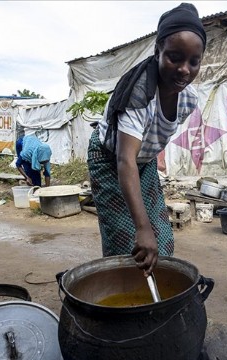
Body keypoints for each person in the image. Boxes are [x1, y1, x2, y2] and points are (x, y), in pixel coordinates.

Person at [87, 2, 206, 276]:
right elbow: (124, 160)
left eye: (193, 61)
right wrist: (141, 227)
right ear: (158, 52)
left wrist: (148, 227)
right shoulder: (138, 95)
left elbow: (152, 138)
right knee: (128, 241)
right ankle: (122, 307)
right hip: (110, 161)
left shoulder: (188, 99)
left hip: (143, 162)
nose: (184, 69)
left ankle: (153, 303)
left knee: (161, 239)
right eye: (174, 57)